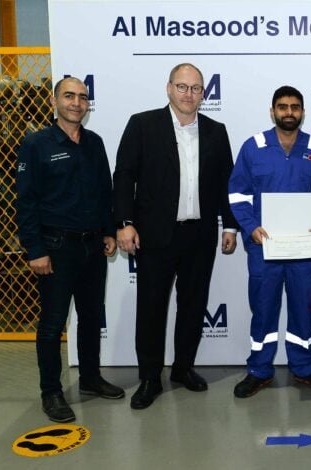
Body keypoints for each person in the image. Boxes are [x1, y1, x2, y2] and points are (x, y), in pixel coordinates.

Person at [113, 63, 238, 410]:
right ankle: (150, 378)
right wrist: (124, 222)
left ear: (203, 93)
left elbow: (226, 182)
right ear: (169, 88)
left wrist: (230, 225)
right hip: (154, 236)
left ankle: (183, 368)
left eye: (196, 88)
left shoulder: (216, 131)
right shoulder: (143, 125)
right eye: (182, 87)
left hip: (199, 235)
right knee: (151, 308)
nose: (188, 94)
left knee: (193, 306)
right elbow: (124, 175)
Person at [16, 77, 124, 422]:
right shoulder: (36, 144)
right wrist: (35, 249)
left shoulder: (95, 142)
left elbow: (105, 191)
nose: (76, 102)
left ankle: (90, 378)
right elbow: (26, 201)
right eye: (69, 96)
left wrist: (109, 231)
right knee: (52, 323)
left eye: (82, 97)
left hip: (93, 246)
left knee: (91, 317)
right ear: (54, 101)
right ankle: (51, 392)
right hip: (55, 247)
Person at [227, 86, 311, 398]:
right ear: (272, 111)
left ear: (302, 111)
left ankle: (305, 367)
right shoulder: (253, 147)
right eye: (283, 107)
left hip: (304, 248)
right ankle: (259, 370)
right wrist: (251, 227)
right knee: (263, 309)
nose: (289, 112)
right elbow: (237, 194)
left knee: (303, 309)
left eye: (295, 107)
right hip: (264, 247)